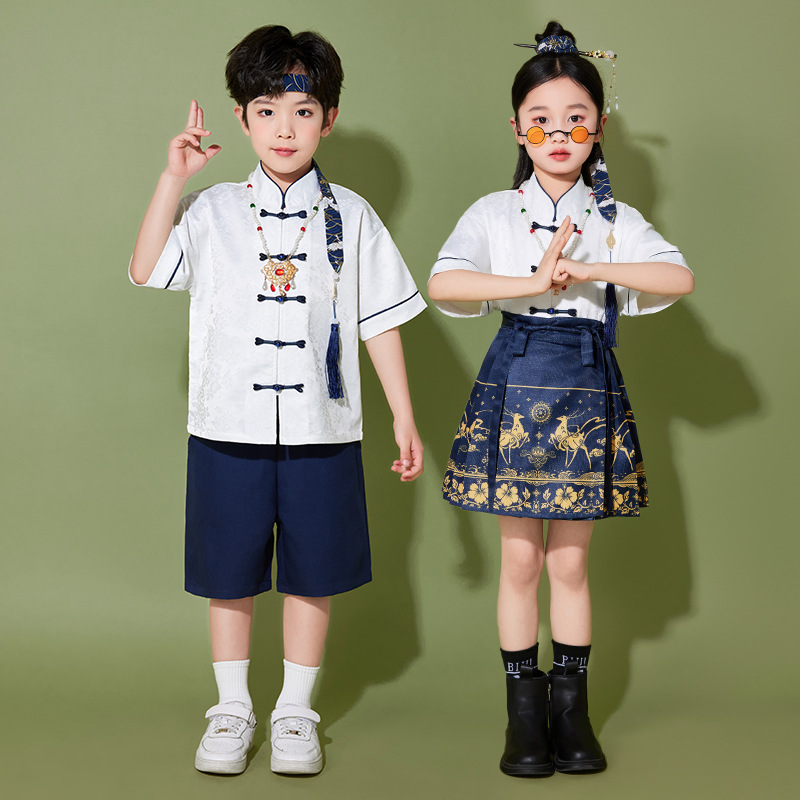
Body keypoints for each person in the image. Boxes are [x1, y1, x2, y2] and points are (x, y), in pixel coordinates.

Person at [129, 24, 425, 778]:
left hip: (324, 429)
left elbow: (380, 321)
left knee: (312, 573)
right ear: (241, 119)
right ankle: (231, 709)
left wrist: (402, 414)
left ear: (328, 118)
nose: (284, 128)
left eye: (301, 110)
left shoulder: (352, 215)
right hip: (225, 426)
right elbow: (145, 269)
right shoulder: (211, 209)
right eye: (266, 110)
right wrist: (172, 179)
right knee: (227, 576)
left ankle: (296, 712)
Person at [427, 20, 693, 778]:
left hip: (585, 378)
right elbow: (444, 283)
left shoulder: (615, 220)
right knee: (519, 561)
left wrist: (594, 271)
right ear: (517, 128)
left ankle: (571, 713)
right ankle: (524, 719)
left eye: (576, 118)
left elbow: (678, 278)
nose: (558, 134)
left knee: (569, 566)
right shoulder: (492, 212)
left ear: (598, 128)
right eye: (540, 119)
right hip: (514, 374)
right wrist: (533, 282)